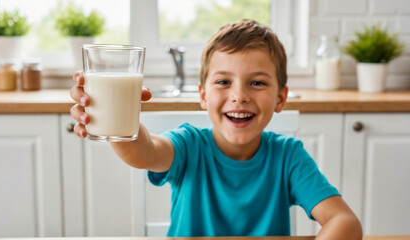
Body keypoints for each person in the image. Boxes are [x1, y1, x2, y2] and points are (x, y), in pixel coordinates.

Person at [70, 19, 362, 239]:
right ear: (202, 95)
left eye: (257, 82)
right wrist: (115, 118)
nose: (239, 95)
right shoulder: (188, 145)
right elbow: (143, 152)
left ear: (281, 98)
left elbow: (344, 222)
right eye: (223, 82)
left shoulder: (288, 157)